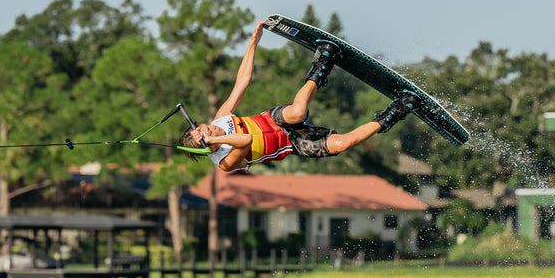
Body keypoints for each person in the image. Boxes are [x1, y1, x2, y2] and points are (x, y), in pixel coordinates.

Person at [180, 21, 419, 172]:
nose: (213, 128)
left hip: (274, 120)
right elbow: (244, 141)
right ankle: (396, 110)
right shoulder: (224, 162)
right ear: (208, 148)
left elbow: (242, 82)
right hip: (292, 143)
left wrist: (253, 43)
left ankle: (324, 60)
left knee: (297, 112)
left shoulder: (221, 117)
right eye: (210, 133)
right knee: (342, 144)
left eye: (206, 126)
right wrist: (212, 142)